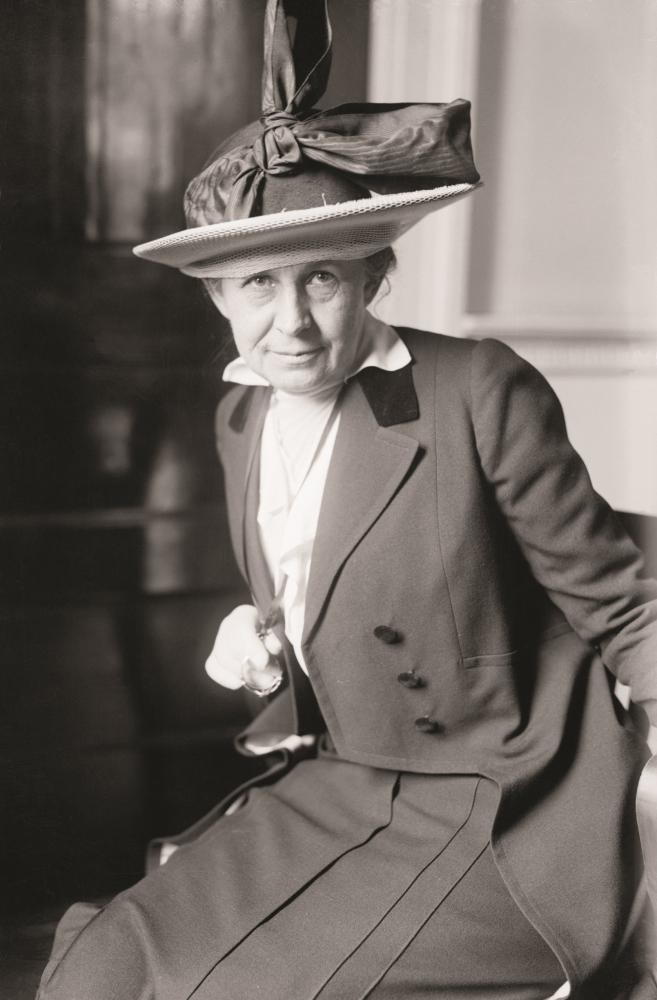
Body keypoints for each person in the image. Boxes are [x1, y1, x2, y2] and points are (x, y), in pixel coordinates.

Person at [38, 1, 657, 998]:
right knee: (111, 961)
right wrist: (256, 632)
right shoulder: (240, 419)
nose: (288, 323)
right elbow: (329, 581)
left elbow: (621, 603)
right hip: (347, 772)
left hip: (497, 793)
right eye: (255, 286)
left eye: (320, 278)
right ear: (215, 296)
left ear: (375, 275)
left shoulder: (475, 389)